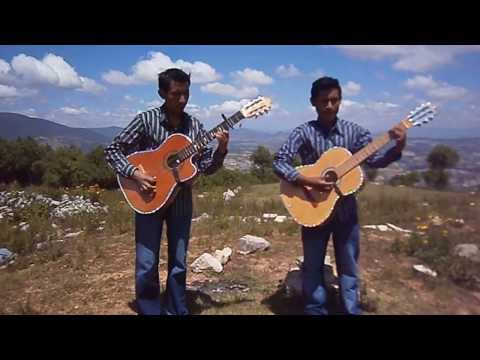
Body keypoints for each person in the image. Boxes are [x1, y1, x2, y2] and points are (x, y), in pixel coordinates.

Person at [272, 76, 406, 315]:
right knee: (312, 265)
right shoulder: (303, 131)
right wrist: (306, 179)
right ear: (313, 102)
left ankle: (350, 310)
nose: (330, 106)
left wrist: (397, 147)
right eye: (324, 101)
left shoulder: (355, 133)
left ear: (340, 101)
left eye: (335, 100)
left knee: (349, 265)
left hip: (345, 209)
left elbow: (375, 160)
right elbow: (280, 162)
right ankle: (315, 309)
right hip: (313, 208)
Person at [105, 68, 229, 315]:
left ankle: (176, 309)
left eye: (186, 93)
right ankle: (150, 310)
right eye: (175, 94)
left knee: (179, 262)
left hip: (181, 201)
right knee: (146, 262)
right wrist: (135, 173)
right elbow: (112, 150)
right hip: (148, 197)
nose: (182, 100)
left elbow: (206, 167)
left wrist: (221, 148)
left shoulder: (195, 127)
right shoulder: (146, 120)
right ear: (162, 92)